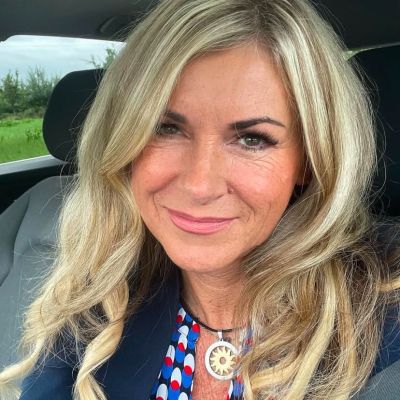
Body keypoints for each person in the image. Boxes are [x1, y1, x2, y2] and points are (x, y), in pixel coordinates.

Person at [0, 0, 399, 399]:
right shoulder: (100, 294)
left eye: (252, 139)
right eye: (165, 128)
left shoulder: (386, 303)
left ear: (309, 162)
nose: (199, 185)